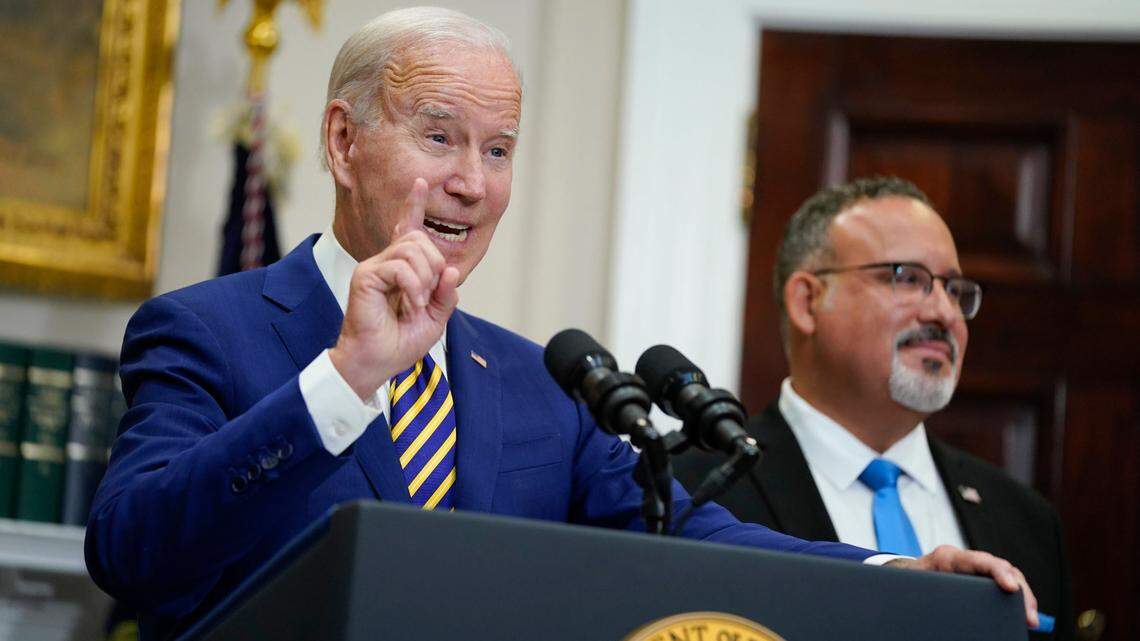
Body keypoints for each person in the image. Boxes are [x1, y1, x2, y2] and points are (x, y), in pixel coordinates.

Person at [84, 10, 1040, 640]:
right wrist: (342, 380)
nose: (472, 180)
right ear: (343, 141)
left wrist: (902, 569)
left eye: (498, 149)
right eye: (440, 136)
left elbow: (696, 535)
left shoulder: (543, 379)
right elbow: (131, 550)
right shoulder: (203, 330)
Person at [674, 176, 1071, 640]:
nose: (944, 312)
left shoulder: (1026, 520)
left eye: (953, 288)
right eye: (908, 279)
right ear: (808, 301)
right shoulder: (691, 490)